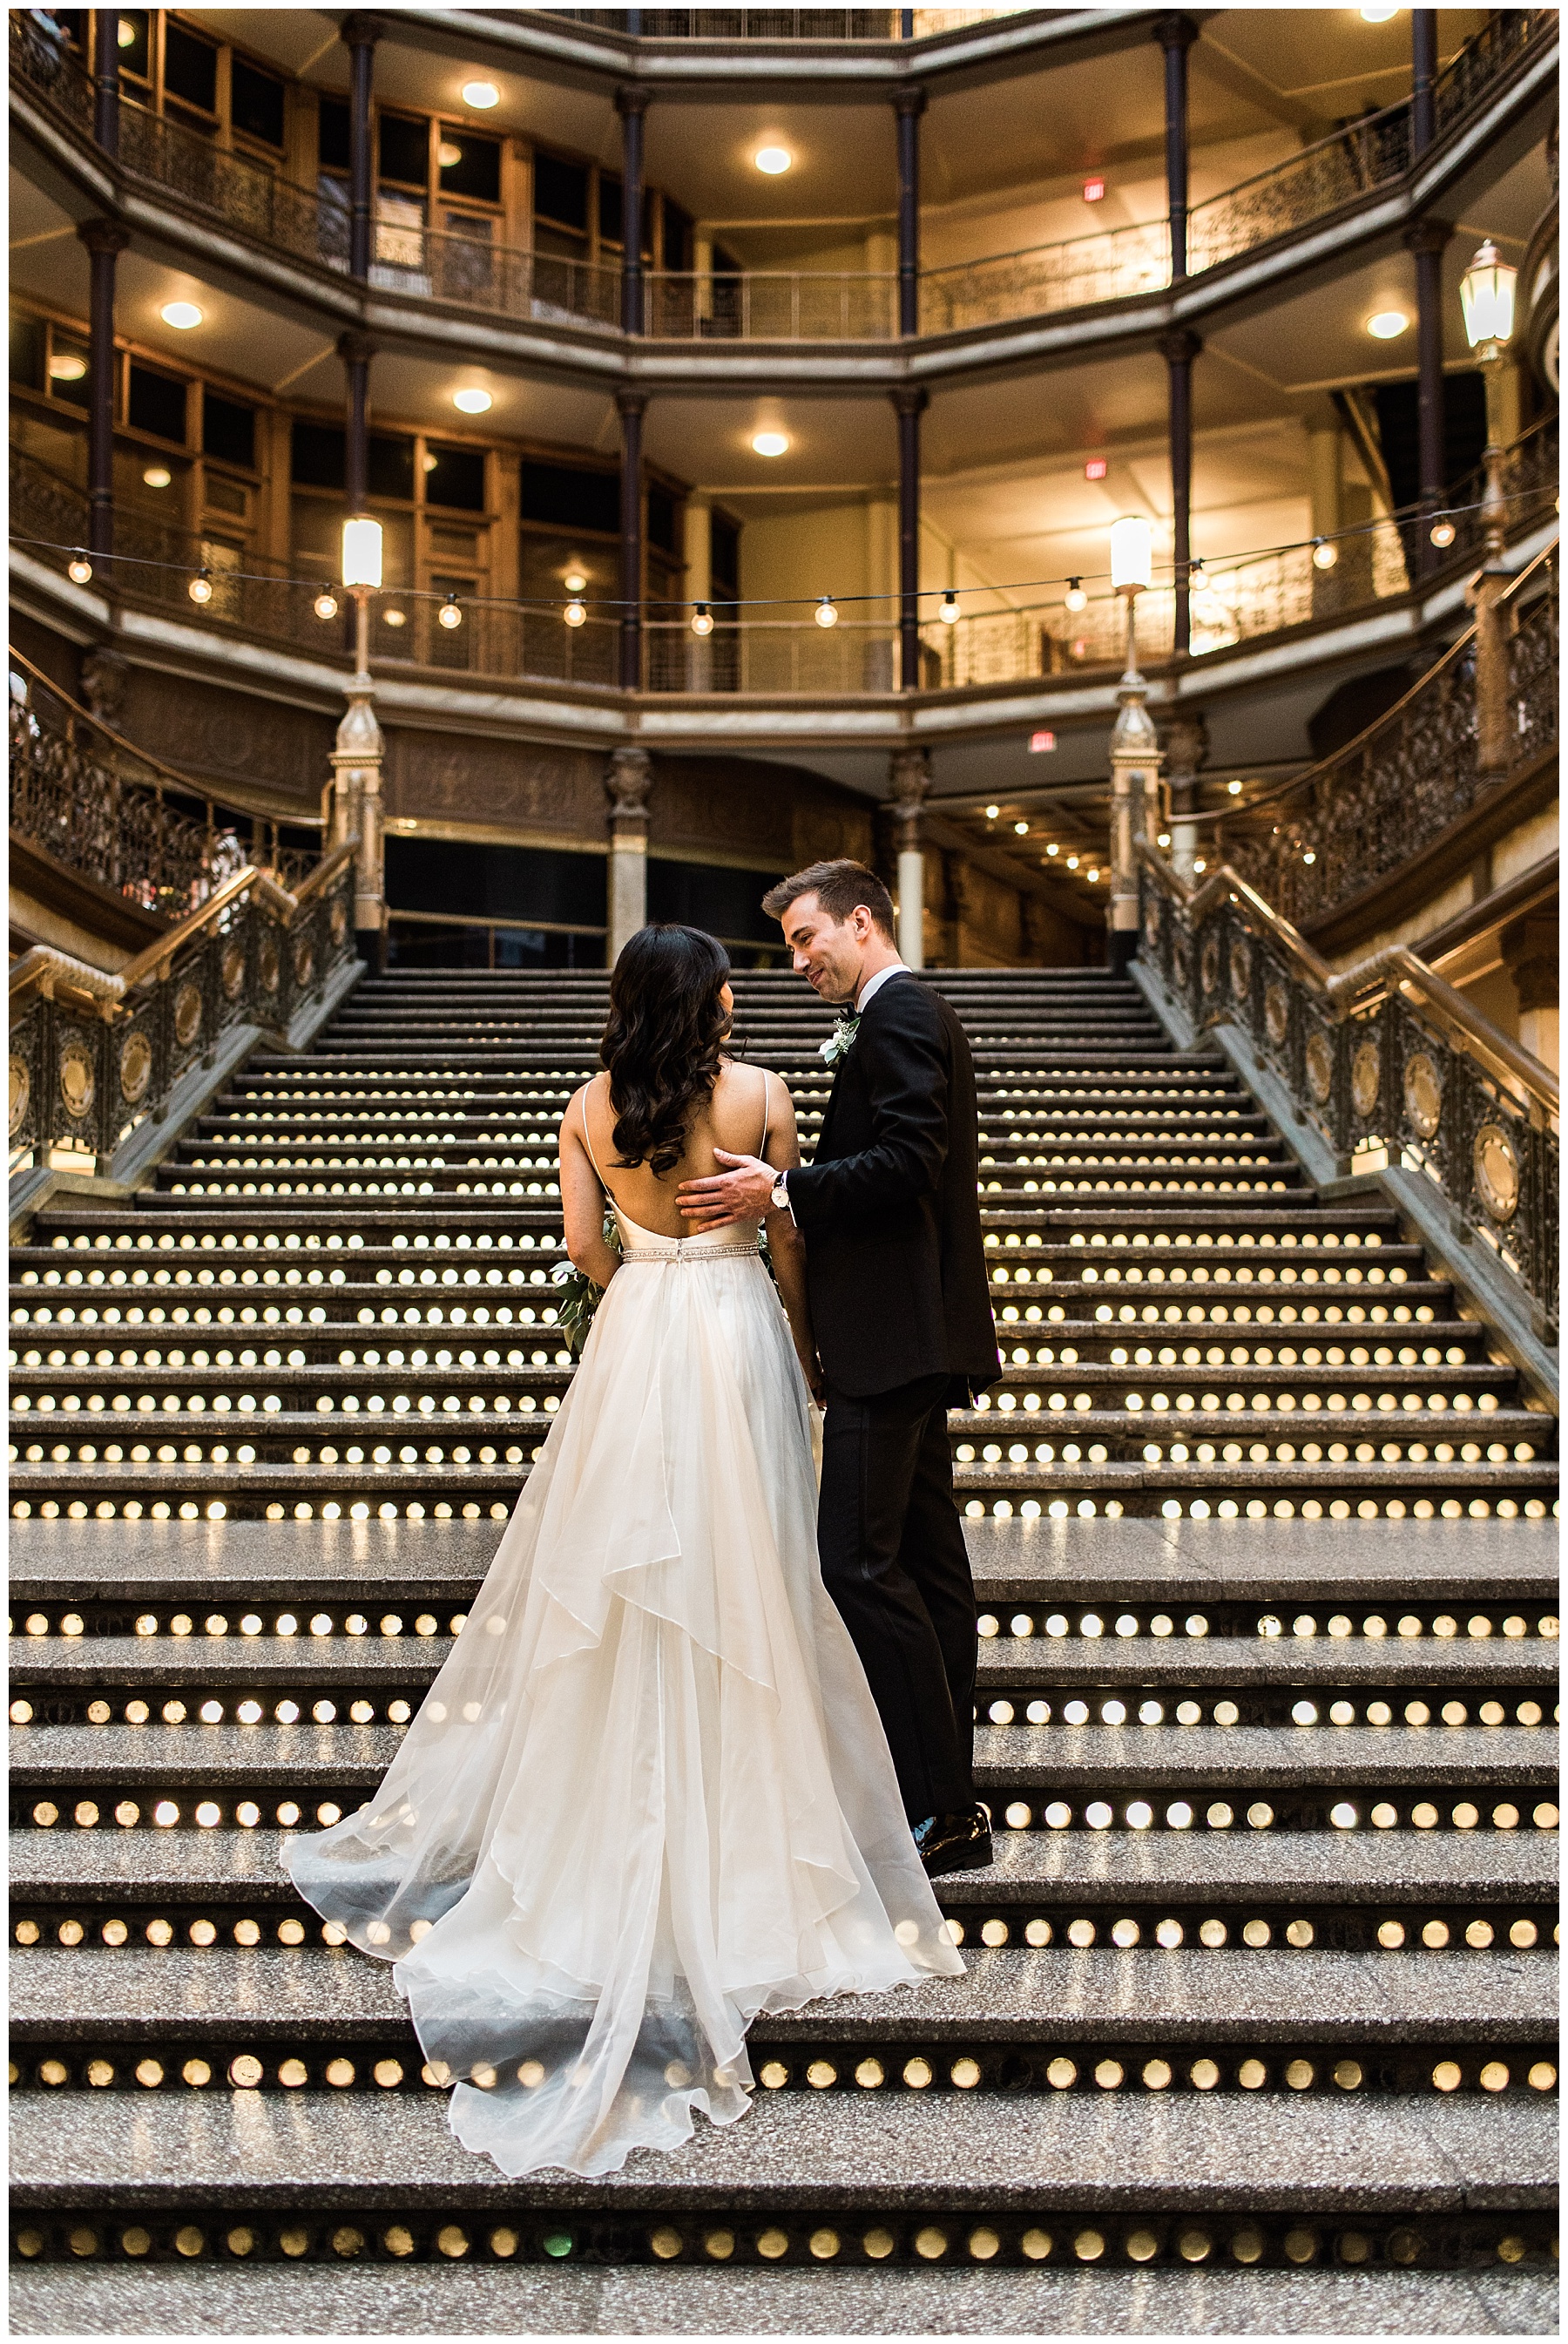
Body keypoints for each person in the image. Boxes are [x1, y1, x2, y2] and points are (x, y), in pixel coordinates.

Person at [284, 923, 961, 2182]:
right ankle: (754, 1830)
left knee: (616, 1581)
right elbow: (792, 1241)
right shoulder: (760, 1096)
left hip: (641, 1335)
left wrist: (641, 1277)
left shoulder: (588, 1108)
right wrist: (807, 1356)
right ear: (703, 996)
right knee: (752, 1571)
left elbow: (587, 1250)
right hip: (737, 1333)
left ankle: (593, 1831)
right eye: (725, 980)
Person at [678, 861, 1000, 1878]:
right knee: (929, 1562)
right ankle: (943, 1791)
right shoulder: (901, 1012)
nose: (801, 960)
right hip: (913, 1330)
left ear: (863, 921)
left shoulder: (900, 1015)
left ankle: (945, 1806)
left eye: (809, 938)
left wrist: (786, 1185)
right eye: (789, 948)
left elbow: (909, 1159)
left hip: (891, 1338)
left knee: (855, 1562)